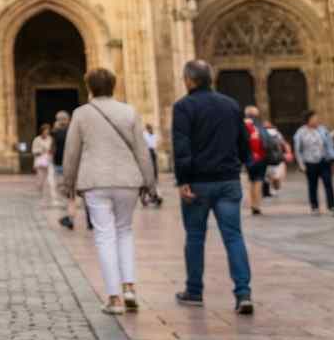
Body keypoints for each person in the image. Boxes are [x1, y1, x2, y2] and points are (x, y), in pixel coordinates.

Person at [59, 68, 155, 315]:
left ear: (90, 87)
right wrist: (150, 182)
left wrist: (68, 183)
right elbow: (142, 151)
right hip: (128, 181)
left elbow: (71, 153)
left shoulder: (81, 114)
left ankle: (114, 298)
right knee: (125, 231)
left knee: (104, 236)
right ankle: (130, 287)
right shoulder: (129, 111)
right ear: (114, 86)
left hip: (95, 181)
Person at [171, 59, 254, 314]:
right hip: (228, 181)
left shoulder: (184, 107)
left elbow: (182, 146)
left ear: (189, 80)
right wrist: (239, 166)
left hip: (198, 182)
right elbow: (244, 143)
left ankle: (194, 291)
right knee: (234, 236)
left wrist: (183, 180)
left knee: (195, 237)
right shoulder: (230, 105)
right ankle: (243, 293)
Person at [293, 110, 334, 216]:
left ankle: (332, 207)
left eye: (317, 118)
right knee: (312, 185)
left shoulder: (322, 130)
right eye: (314, 118)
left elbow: (329, 145)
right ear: (308, 120)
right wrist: (301, 164)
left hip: (324, 161)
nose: (316, 120)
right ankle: (314, 207)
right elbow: (298, 150)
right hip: (309, 163)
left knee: (328, 183)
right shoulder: (300, 132)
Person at [54, 110, 79, 229]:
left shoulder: (56, 133)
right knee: (72, 193)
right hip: (73, 164)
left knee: (63, 191)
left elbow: (52, 149)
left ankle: (68, 216)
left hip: (60, 165)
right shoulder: (73, 132)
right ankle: (71, 216)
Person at [243, 106, 267, 215]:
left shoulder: (243, 124)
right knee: (258, 180)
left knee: (251, 180)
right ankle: (257, 205)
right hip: (260, 156)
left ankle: (253, 204)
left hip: (248, 157)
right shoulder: (259, 124)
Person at [31, 124, 55, 207]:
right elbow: (34, 151)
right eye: (45, 131)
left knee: (50, 179)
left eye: (48, 131)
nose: (46, 132)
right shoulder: (37, 140)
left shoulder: (50, 139)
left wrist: (50, 152)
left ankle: (51, 197)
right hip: (40, 161)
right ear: (42, 131)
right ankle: (40, 194)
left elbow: (52, 149)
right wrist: (41, 150)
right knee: (40, 180)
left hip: (48, 161)